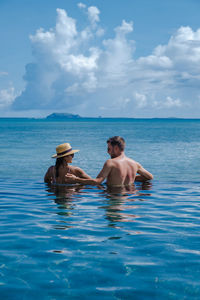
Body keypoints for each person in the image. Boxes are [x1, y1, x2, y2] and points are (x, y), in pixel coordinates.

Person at [65, 136, 153, 187]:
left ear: (116, 148)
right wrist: (132, 177)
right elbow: (149, 177)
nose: (107, 152)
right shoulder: (135, 164)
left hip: (114, 198)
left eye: (109, 149)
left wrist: (75, 179)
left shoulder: (110, 163)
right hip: (129, 200)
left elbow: (97, 182)